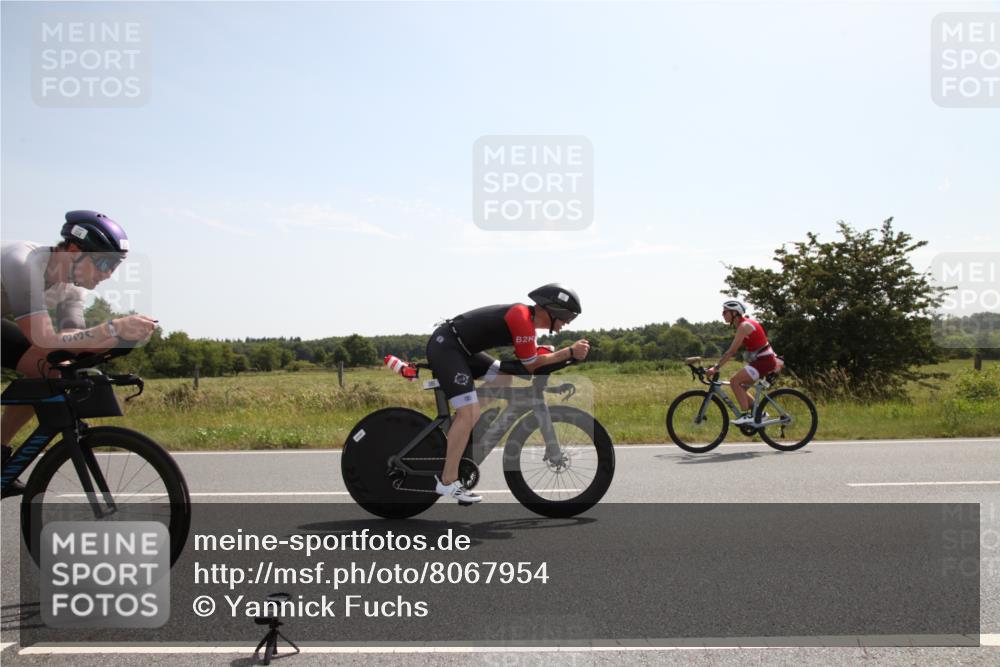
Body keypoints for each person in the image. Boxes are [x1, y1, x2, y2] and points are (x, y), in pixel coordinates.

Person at [1, 211, 157, 490]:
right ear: (74, 251)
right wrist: (110, 329)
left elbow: (69, 344)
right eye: (105, 263)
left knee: (50, 370)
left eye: (116, 266)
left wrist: (118, 340)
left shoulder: (72, 290)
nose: (109, 274)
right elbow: (44, 339)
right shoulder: (23, 263)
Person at [426, 283, 589, 504]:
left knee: (503, 376)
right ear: (553, 310)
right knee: (469, 412)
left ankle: (458, 428)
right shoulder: (521, 318)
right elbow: (531, 365)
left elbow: (526, 361)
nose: (566, 324)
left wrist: (556, 355)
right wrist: (569, 352)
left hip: (463, 349)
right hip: (447, 348)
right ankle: (447, 481)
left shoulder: (527, 324)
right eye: (567, 318)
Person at [706, 300, 781, 426]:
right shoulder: (742, 325)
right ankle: (759, 414)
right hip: (762, 361)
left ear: (734, 313)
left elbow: (731, 351)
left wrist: (716, 367)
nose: (722, 314)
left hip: (764, 361)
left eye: (725, 312)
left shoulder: (744, 326)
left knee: (734, 382)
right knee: (741, 388)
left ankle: (746, 415)